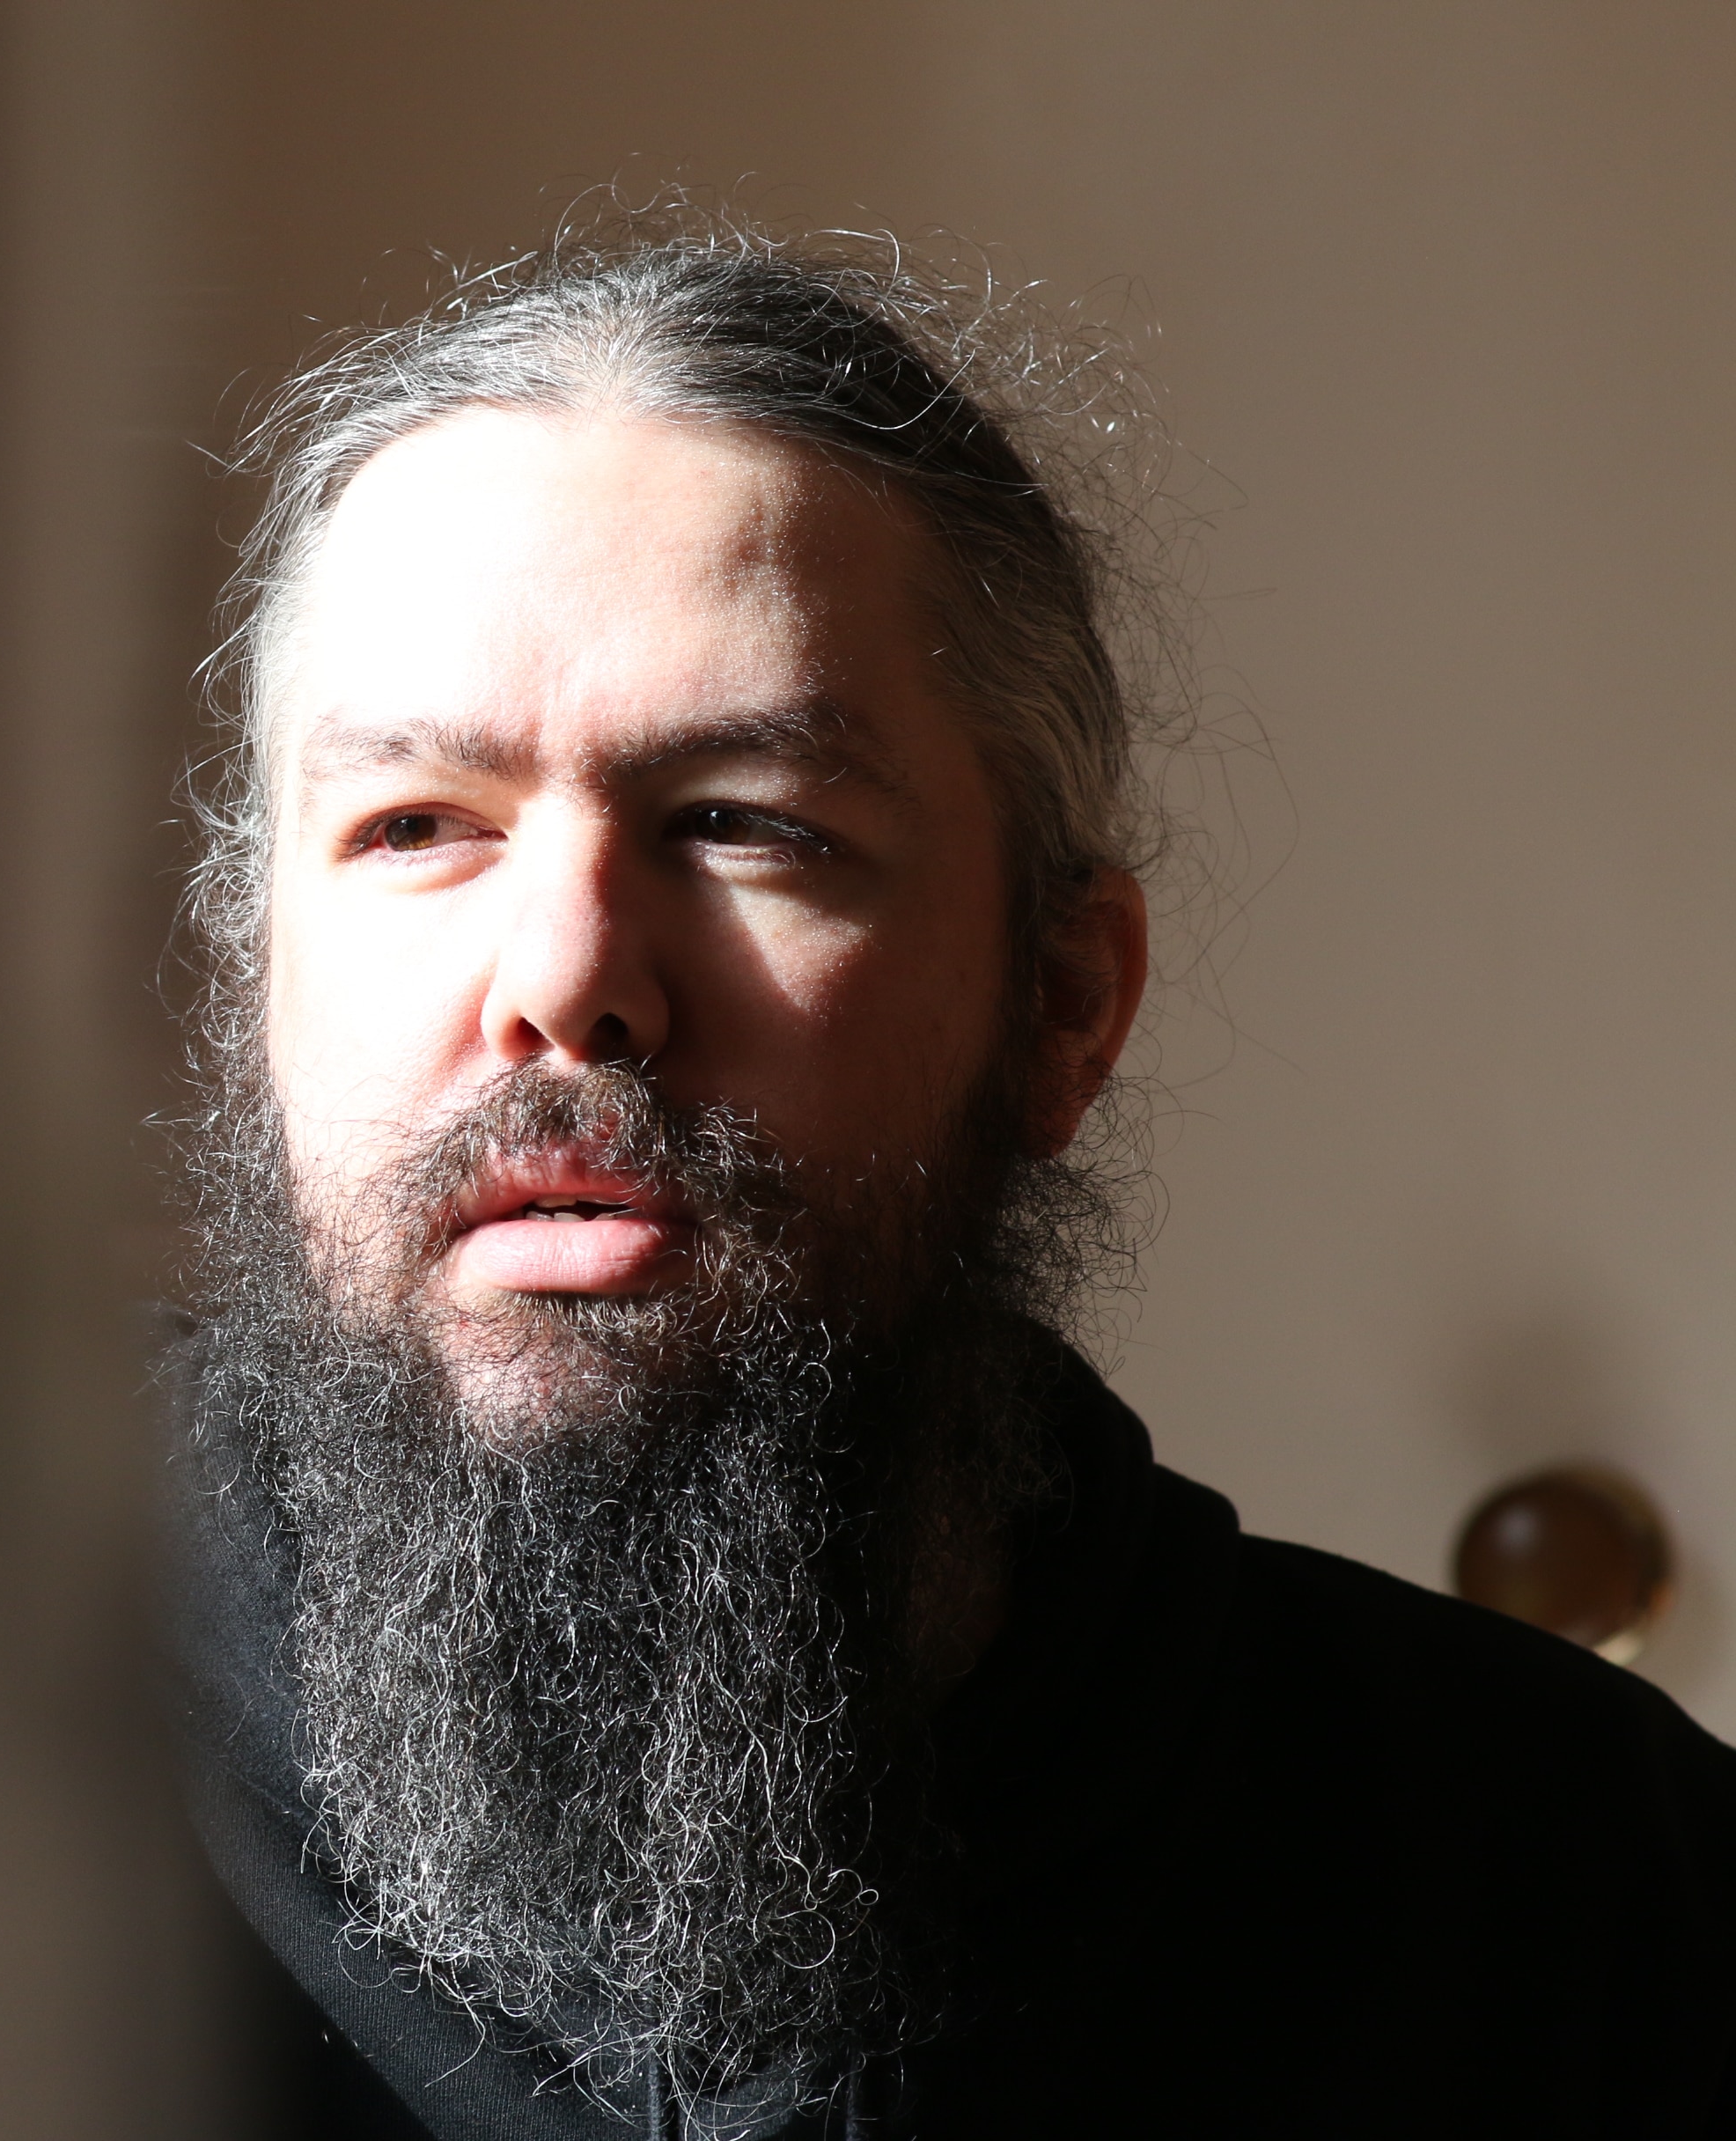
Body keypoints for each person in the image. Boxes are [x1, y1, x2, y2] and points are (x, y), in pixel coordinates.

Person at [160, 217, 1736, 2141]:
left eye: (744, 823)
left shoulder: (1576, 1896)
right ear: (256, 979)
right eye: (418, 828)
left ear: (1064, 1003)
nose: (565, 978)